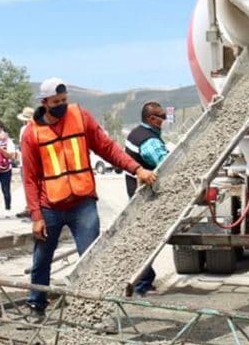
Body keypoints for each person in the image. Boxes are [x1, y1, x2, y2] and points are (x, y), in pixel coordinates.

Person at [22, 78, 155, 317]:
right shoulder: (32, 134)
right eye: (56, 102)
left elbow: (107, 148)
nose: (62, 105)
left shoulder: (80, 117)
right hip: (50, 206)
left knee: (92, 260)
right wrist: (36, 216)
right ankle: (36, 305)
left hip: (83, 204)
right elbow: (30, 178)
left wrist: (137, 169)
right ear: (44, 103)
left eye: (64, 100)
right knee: (42, 259)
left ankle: (92, 310)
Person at [125, 101, 171, 295]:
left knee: (143, 238)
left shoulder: (135, 133)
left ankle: (143, 281)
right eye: (162, 117)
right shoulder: (148, 140)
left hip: (136, 193)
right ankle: (142, 283)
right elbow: (164, 163)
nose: (165, 120)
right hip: (146, 198)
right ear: (152, 119)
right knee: (146, 240)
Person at [0, 120, 17, 218]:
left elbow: (11, 155)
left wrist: (0, 148)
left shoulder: (8, 141)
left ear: (1, 128)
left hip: (5, 170)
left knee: (6, 190)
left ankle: (7, 209)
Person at [15, 107, 35, 220]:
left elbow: (22, 145)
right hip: (33, 162)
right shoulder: (39, 127)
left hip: (25, 161)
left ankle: (30, 208)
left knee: (28, 186)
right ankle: (31, 208)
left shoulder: (24, 129)